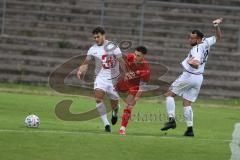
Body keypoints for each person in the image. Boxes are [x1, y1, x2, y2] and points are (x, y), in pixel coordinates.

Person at [161, 18, 223, 136]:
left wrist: (190, 62)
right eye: (190, 37)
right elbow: (218, 37)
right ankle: (189, 130)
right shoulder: (206, 42)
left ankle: (171, 120)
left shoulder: (196, 49)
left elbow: (196, 64)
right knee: (187, 103)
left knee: (169, 94)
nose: (190, 39)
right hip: (199, 78)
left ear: (198, 39)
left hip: (189, 76)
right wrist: (216, 26)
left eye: (192, 38)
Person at [77, 26, 126, 132]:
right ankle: (106, 125)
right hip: (100, 78)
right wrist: (80, 70)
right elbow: (86, 62)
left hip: (113, 79)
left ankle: (115, 112)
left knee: (115, 104)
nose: (96, 39)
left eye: (97, 37)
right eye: (94, 37)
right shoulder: (93, 49)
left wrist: (127, 73)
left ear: (103, 35)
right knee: (98, 99)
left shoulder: (113, 46)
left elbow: (121, 61)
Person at [116, 46, 150, 135]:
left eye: (138, 56)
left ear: (143, 56)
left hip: (134, 87)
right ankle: (115, 108)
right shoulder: (130, 57)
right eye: (135, 54)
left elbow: (142, 87)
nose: (135, 57)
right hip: (125, 81)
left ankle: (122, 128)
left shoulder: (145, 69)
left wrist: (136, 99)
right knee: (109, 93)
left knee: (129, 106)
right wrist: (126, 72)